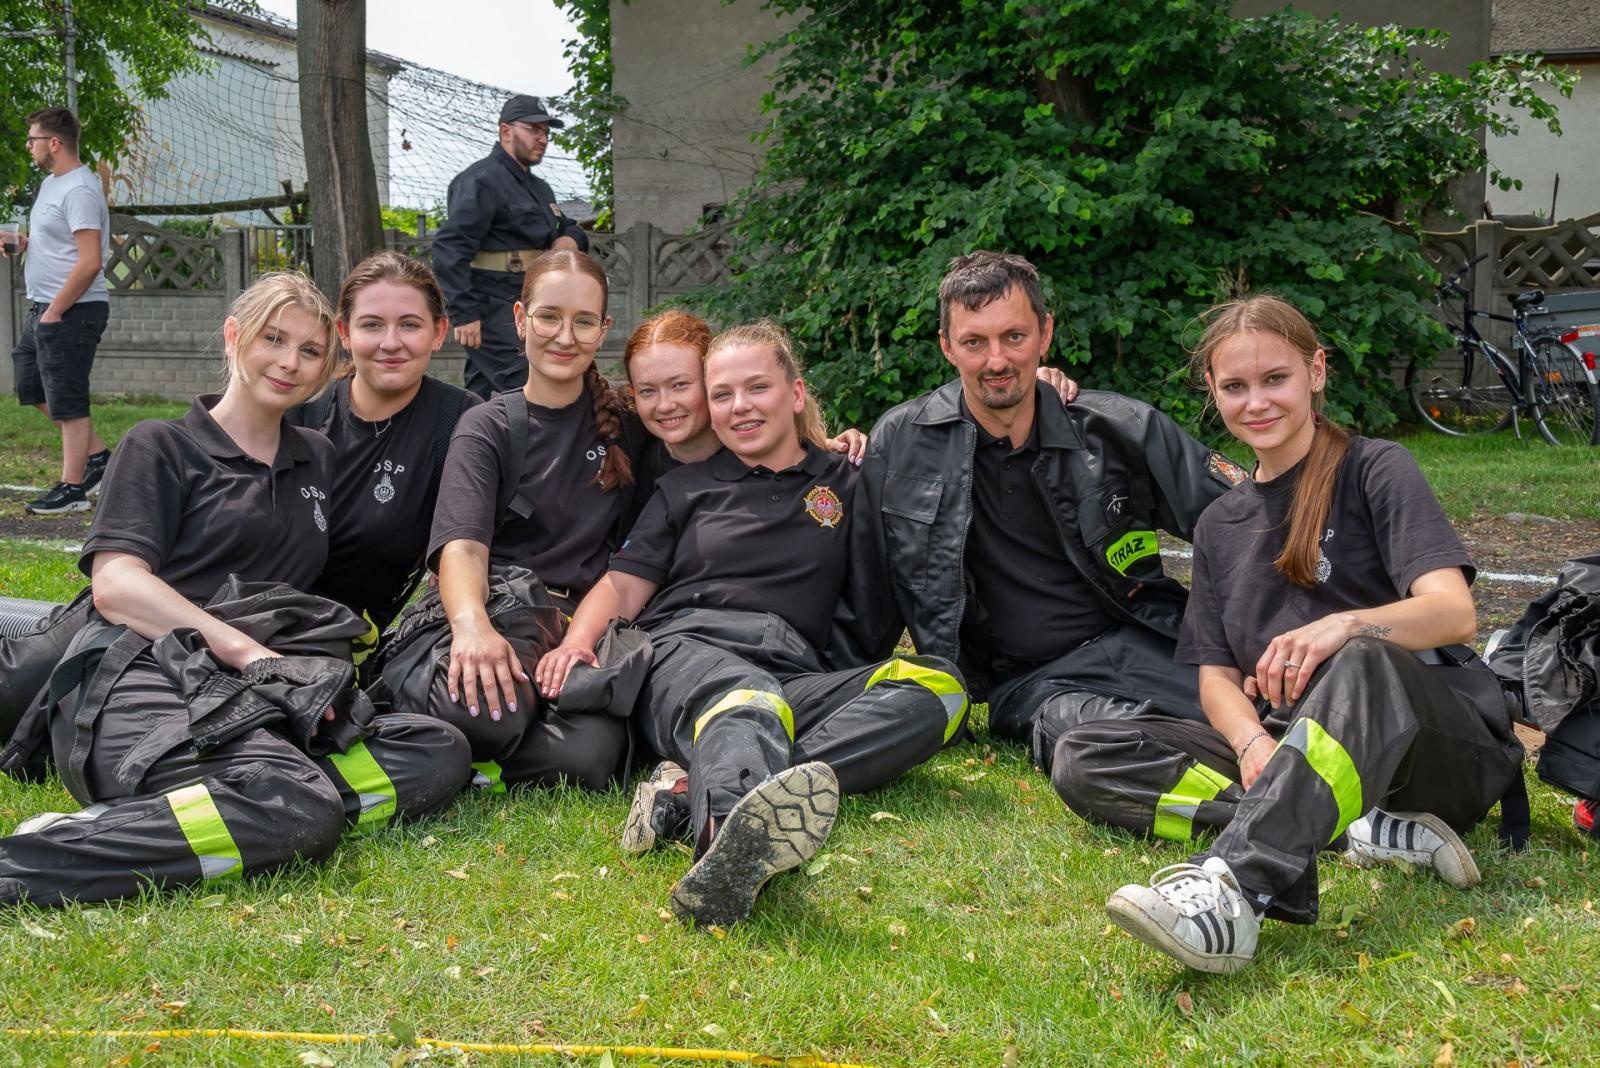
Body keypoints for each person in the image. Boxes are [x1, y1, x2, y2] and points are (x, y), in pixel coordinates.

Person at [1071, 294, 1524, 974]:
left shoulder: (1376, 467)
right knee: (1086, 754)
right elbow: (1216, 676)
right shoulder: (1220, 524)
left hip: (1432, 754)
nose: (1257, 402)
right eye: (1235, 387)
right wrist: (1252, 741)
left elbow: (1454, 613)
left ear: (1315, 372)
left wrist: (1342, 626)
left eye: (1275, 379)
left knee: (1362, 661)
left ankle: (1233, 889)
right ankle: (1354, 831)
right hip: (1298, 742)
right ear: (1213, 393)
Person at [0, 273, 472, 908]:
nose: (289, 362)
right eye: (272, 339)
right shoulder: (161, 444)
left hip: (255, 695)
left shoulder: (317, 456)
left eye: (308, 351)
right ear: (234, 337)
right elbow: (115, 585)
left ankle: (248, 802)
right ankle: (41, 855)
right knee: (300, 807)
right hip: (146, 676)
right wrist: (247, 652)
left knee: (436, 750)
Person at [537, 320, 970, 929]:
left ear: (794, 394)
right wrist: (579, 642)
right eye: (721, 395)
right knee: (747, 701)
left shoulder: (846, 480)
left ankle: (693, 792)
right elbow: (625, 584)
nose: (739, 407)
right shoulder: (684, 488)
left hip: (794, 672)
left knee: (938, 688)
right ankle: (724, 845)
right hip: (687, 653)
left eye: (757, 388)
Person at [841, 250, 1243, 784]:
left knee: (1249, 708)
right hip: (1035, 683)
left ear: (1045, 334)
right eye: (974, 342)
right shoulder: (900, 443)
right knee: (1090, 740)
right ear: (946, 347)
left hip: (1144, 638)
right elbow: (868, 596)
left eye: (1014, 337)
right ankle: (1270, 800)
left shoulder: (1116, 427)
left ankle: (1286, 775)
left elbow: (1244, 525)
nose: (997, 361)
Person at [422, 249, 642, 791]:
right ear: (521, 321)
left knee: (594, 757)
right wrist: (472, 629)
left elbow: (718, 435)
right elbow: (463, 547)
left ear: (603, 329)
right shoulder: (488, 427)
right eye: (549, 317)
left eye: (583, 321)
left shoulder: (629, 425)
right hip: (503, 613)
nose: (565, 337)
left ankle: (466, 761)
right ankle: (440, 727)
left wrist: (815, 438)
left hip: (581, 628)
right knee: (488, 709)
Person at [288, 251, 481, 634]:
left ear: (439, 332)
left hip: (351, 644)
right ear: (344, 333)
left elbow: (477, 543)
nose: (391, 343)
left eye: (409, 325)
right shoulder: (300, 417)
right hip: (253, 619)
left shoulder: (461, 423)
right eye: (372, 325)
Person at [432, 95, 589, 398]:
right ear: (506, 132)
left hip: (528, 299)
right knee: (526, 382)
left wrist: (567, 241)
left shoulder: (540, 188)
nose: (542, 139)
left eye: (545, 132)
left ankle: (472, 441)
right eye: (533, 130)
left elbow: (567, 226)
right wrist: (464, 313)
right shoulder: (480, 181)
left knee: (484, 392)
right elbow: (449, 248)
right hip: (491, 306)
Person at [2, 107, 112, 515]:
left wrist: (55, 313)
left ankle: (72, 489)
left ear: (54, 142)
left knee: (67, 397)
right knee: (31, 385)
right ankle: (99, 458)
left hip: (73, 310)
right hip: (44, 306)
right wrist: (27, 245)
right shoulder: (51, 183)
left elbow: (89, 262)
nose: (28, 146)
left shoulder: (80, 190)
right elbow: (61, 242)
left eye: (32, 139)